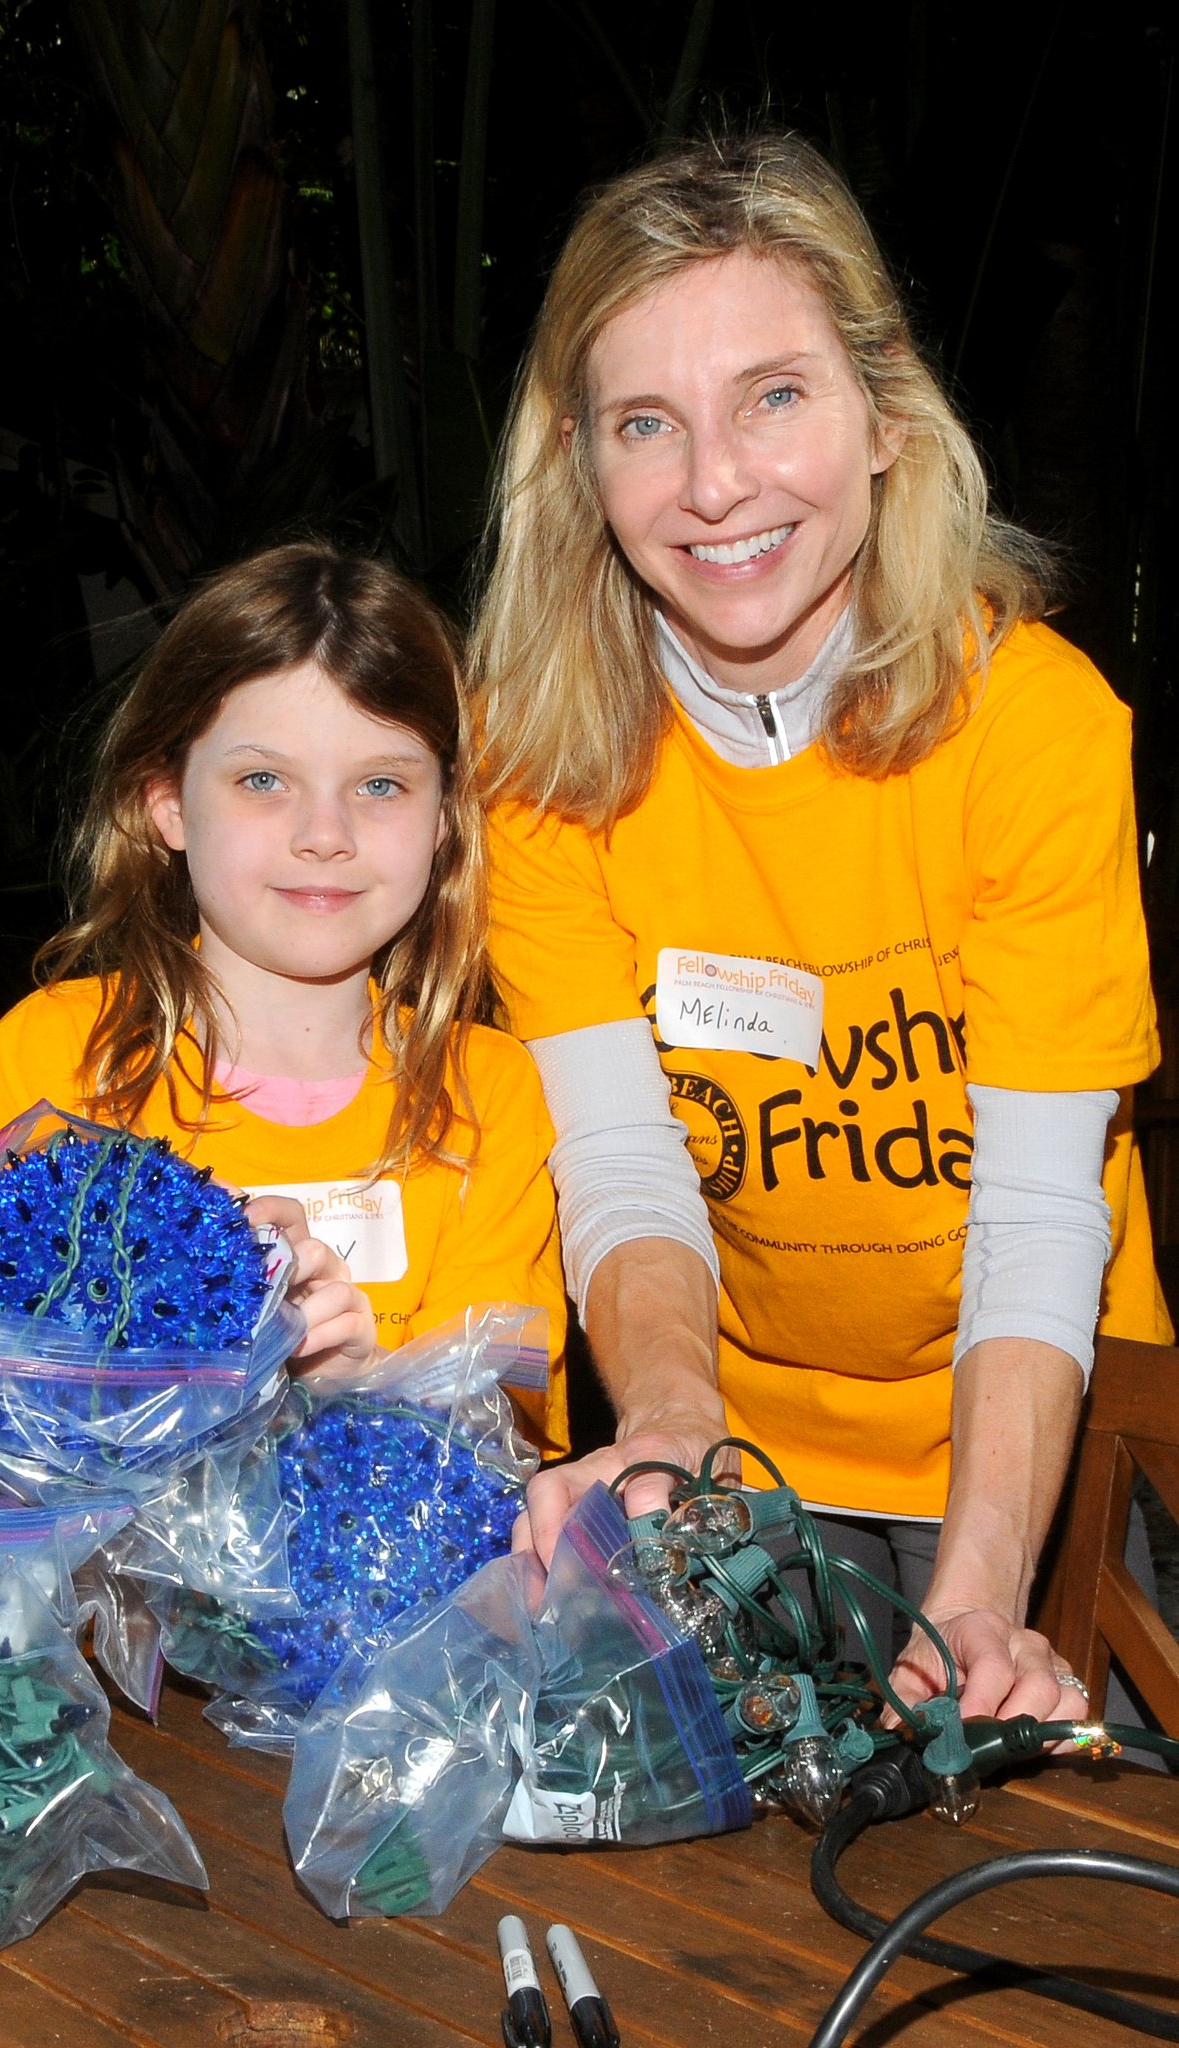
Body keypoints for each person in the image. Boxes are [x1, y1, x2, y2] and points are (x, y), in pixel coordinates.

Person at [475, 131, 1170, 1717]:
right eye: (646, 423)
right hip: (750, 1460)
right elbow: (620, 1158)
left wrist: (980, 1593)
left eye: (774, 396)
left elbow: (1038, 1214)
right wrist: (674, 1426)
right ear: (578, 462)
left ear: (885, 416)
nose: (716, 484)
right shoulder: (539, 762)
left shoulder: (1037, 729)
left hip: (1041, 1445)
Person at [0, 542, 568, 1454]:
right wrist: (94, 1392)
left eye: (381, 784)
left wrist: (364, 1385)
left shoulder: (485, 1090)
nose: (325, 834)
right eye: (263, 780)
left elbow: (502, 1440)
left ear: (444, 818)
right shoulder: (60, 1057)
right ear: (167, 803)